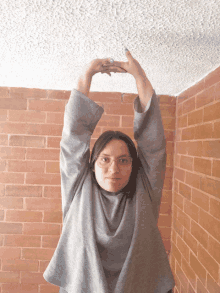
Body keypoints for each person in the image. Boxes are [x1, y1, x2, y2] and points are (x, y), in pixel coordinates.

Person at [43, 49, 175, 293]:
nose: (114, 169)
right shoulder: (78, 187)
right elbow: (73, 138)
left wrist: (141, 79)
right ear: (91, 165)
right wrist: (86, 76)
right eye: (105, 159)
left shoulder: (144, 190)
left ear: (134, 166)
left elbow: (153, 144)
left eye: (124, 160)